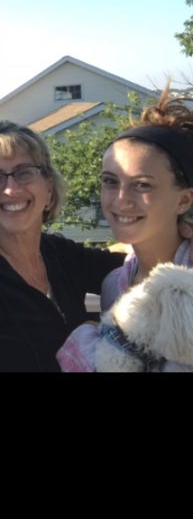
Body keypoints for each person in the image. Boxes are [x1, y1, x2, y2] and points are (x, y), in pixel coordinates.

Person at [0, 120, 127, 372]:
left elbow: (135, 262)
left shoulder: (59, 255)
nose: (10, 189)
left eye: (24, 172)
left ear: (49, 187)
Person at [57, 87, 193, 371]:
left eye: (142, 185)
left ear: (183, 200)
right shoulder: (113, 286)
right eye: (110, 181)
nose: (121, 200)